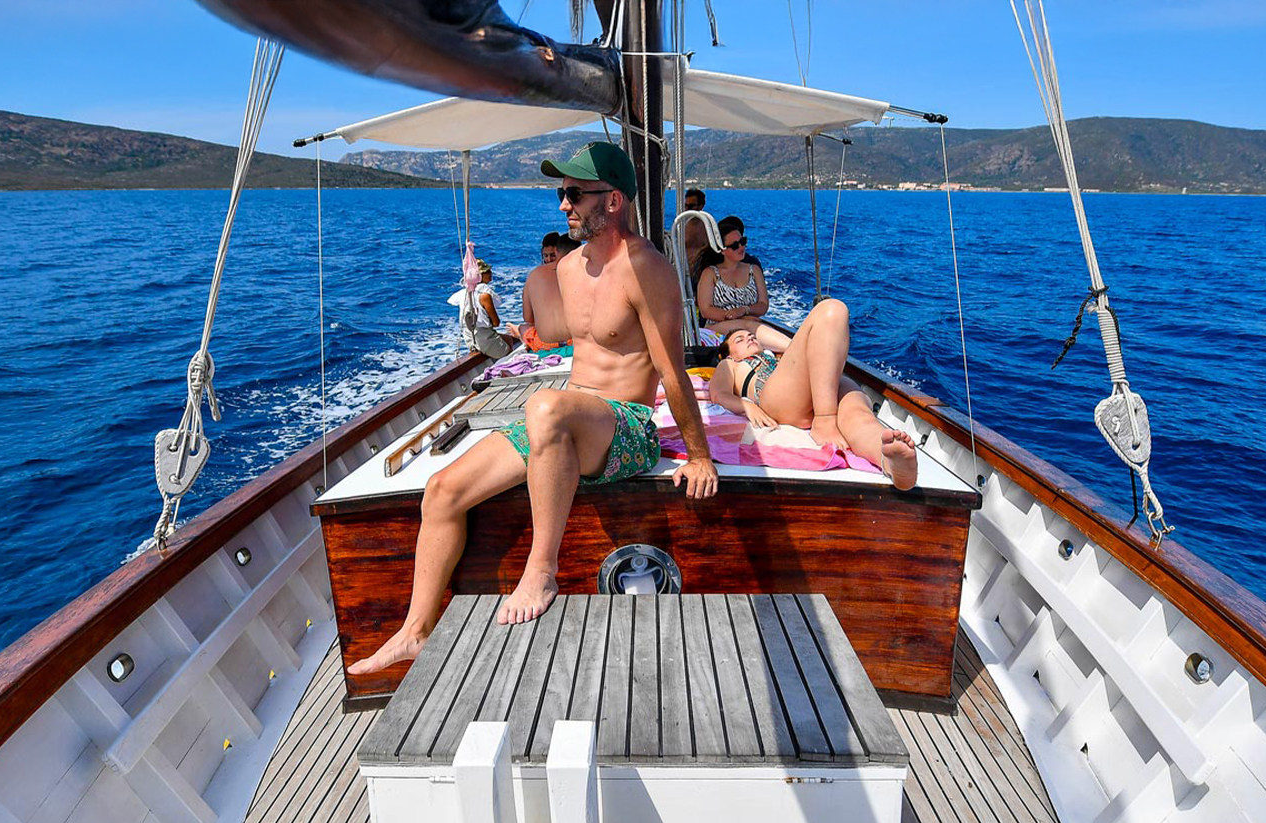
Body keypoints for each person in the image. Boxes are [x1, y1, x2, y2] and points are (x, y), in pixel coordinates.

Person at [350, 141, 717, 673]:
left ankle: (541, 569)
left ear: (613, 200)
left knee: (544, 407)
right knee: (442, 490)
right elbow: (559, 335)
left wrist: (700, 456)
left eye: (574, 194)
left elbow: (671, 370)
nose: (563, 204)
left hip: (628, 426)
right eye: (561, 194)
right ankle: (415, 630)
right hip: (567, 420)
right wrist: (492, 310)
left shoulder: (647, 269)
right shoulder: (566, 269)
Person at [707, 300, 920, 490]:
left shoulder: (776, 356)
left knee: (858, 416)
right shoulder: (730, 365)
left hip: (817, 388)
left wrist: (760, 341)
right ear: (727, 354)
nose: (750, 338)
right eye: (739, 339)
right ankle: (825, 418)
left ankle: (889, 461)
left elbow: (798, 343)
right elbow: (718, 394)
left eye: (751, 336)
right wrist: (747, 406)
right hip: (777, 396)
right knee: (831, 310)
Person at [696, 216, 771, 335]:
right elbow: (706, 311)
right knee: (748, 327)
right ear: (722, 250)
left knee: (749, 328)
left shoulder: (754, 270)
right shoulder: (710, 273)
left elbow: (763, 304)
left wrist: (744, 310)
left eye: (743, 242)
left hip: (749, 325)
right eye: (735, 245)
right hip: (717, 330)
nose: (741, 247)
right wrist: (739, 318)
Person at [510, 233, 581, 351]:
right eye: (546, 256)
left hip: (545, 345)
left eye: (552, 255)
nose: (548, 259)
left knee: (523, 327)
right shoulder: (584, 272)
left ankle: (518, 333)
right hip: (577, 340)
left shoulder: (534, 275)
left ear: (557, 251)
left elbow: (528, 319)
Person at [448, 259, 510, 357]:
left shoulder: (463, 294)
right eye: (487, 272)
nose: (491, 273)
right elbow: (496, 323)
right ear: (479, 276)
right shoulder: (485, 295)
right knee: (510, 347)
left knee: (506, 338)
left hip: (469, 340)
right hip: (484, 339)